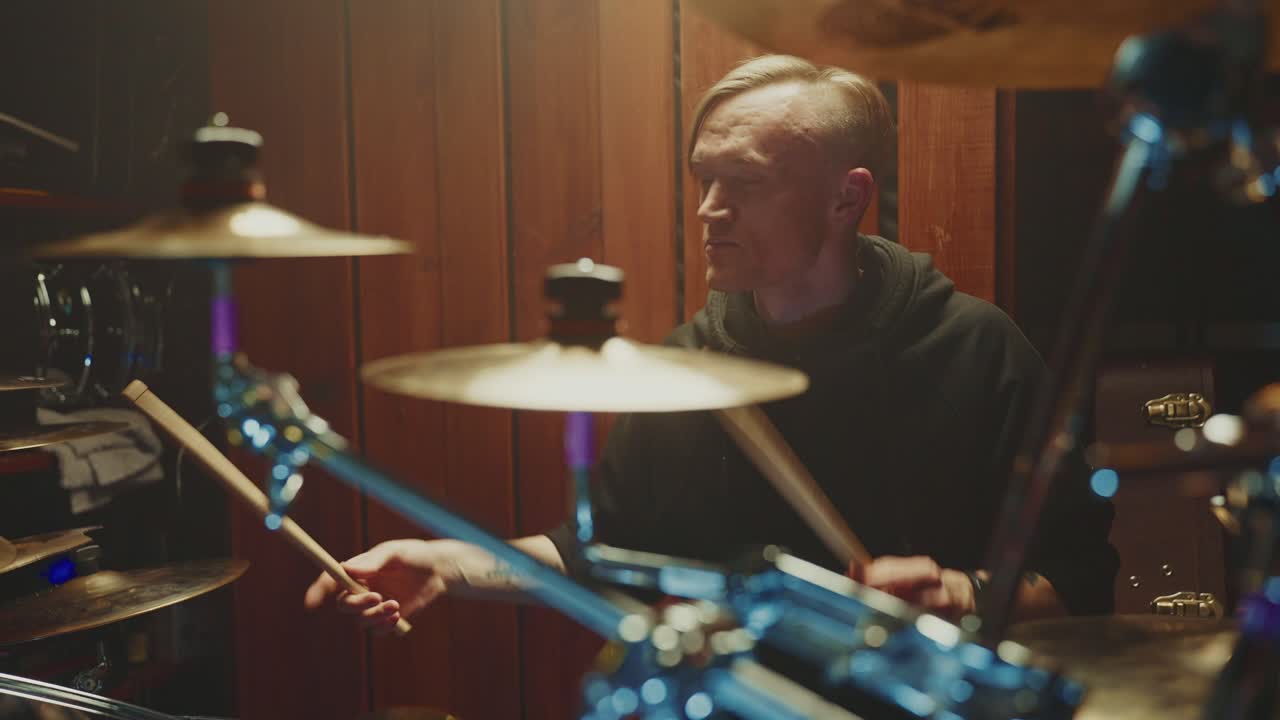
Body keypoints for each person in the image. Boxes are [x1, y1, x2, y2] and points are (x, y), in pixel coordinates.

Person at [304, 54, 1118, 634]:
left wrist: (955, 593)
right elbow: (596, 550)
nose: (709, 210)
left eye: (748, 183)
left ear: (847, 198)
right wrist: (446, 562)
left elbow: (1081, 583)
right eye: (704, 181)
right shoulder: (688, 370)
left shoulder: (977, 352)